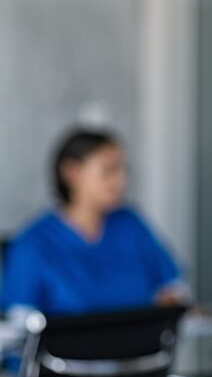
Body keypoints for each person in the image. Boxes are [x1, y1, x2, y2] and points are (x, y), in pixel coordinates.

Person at [1, 129, 186, 320]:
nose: (121, 180)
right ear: (71, 172)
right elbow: (19, 324)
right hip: (65, 350)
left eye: (123, 170)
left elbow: (172, 286)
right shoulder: (33, 243)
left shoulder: (131, 225)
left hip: (141, 348)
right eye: (109, 170)